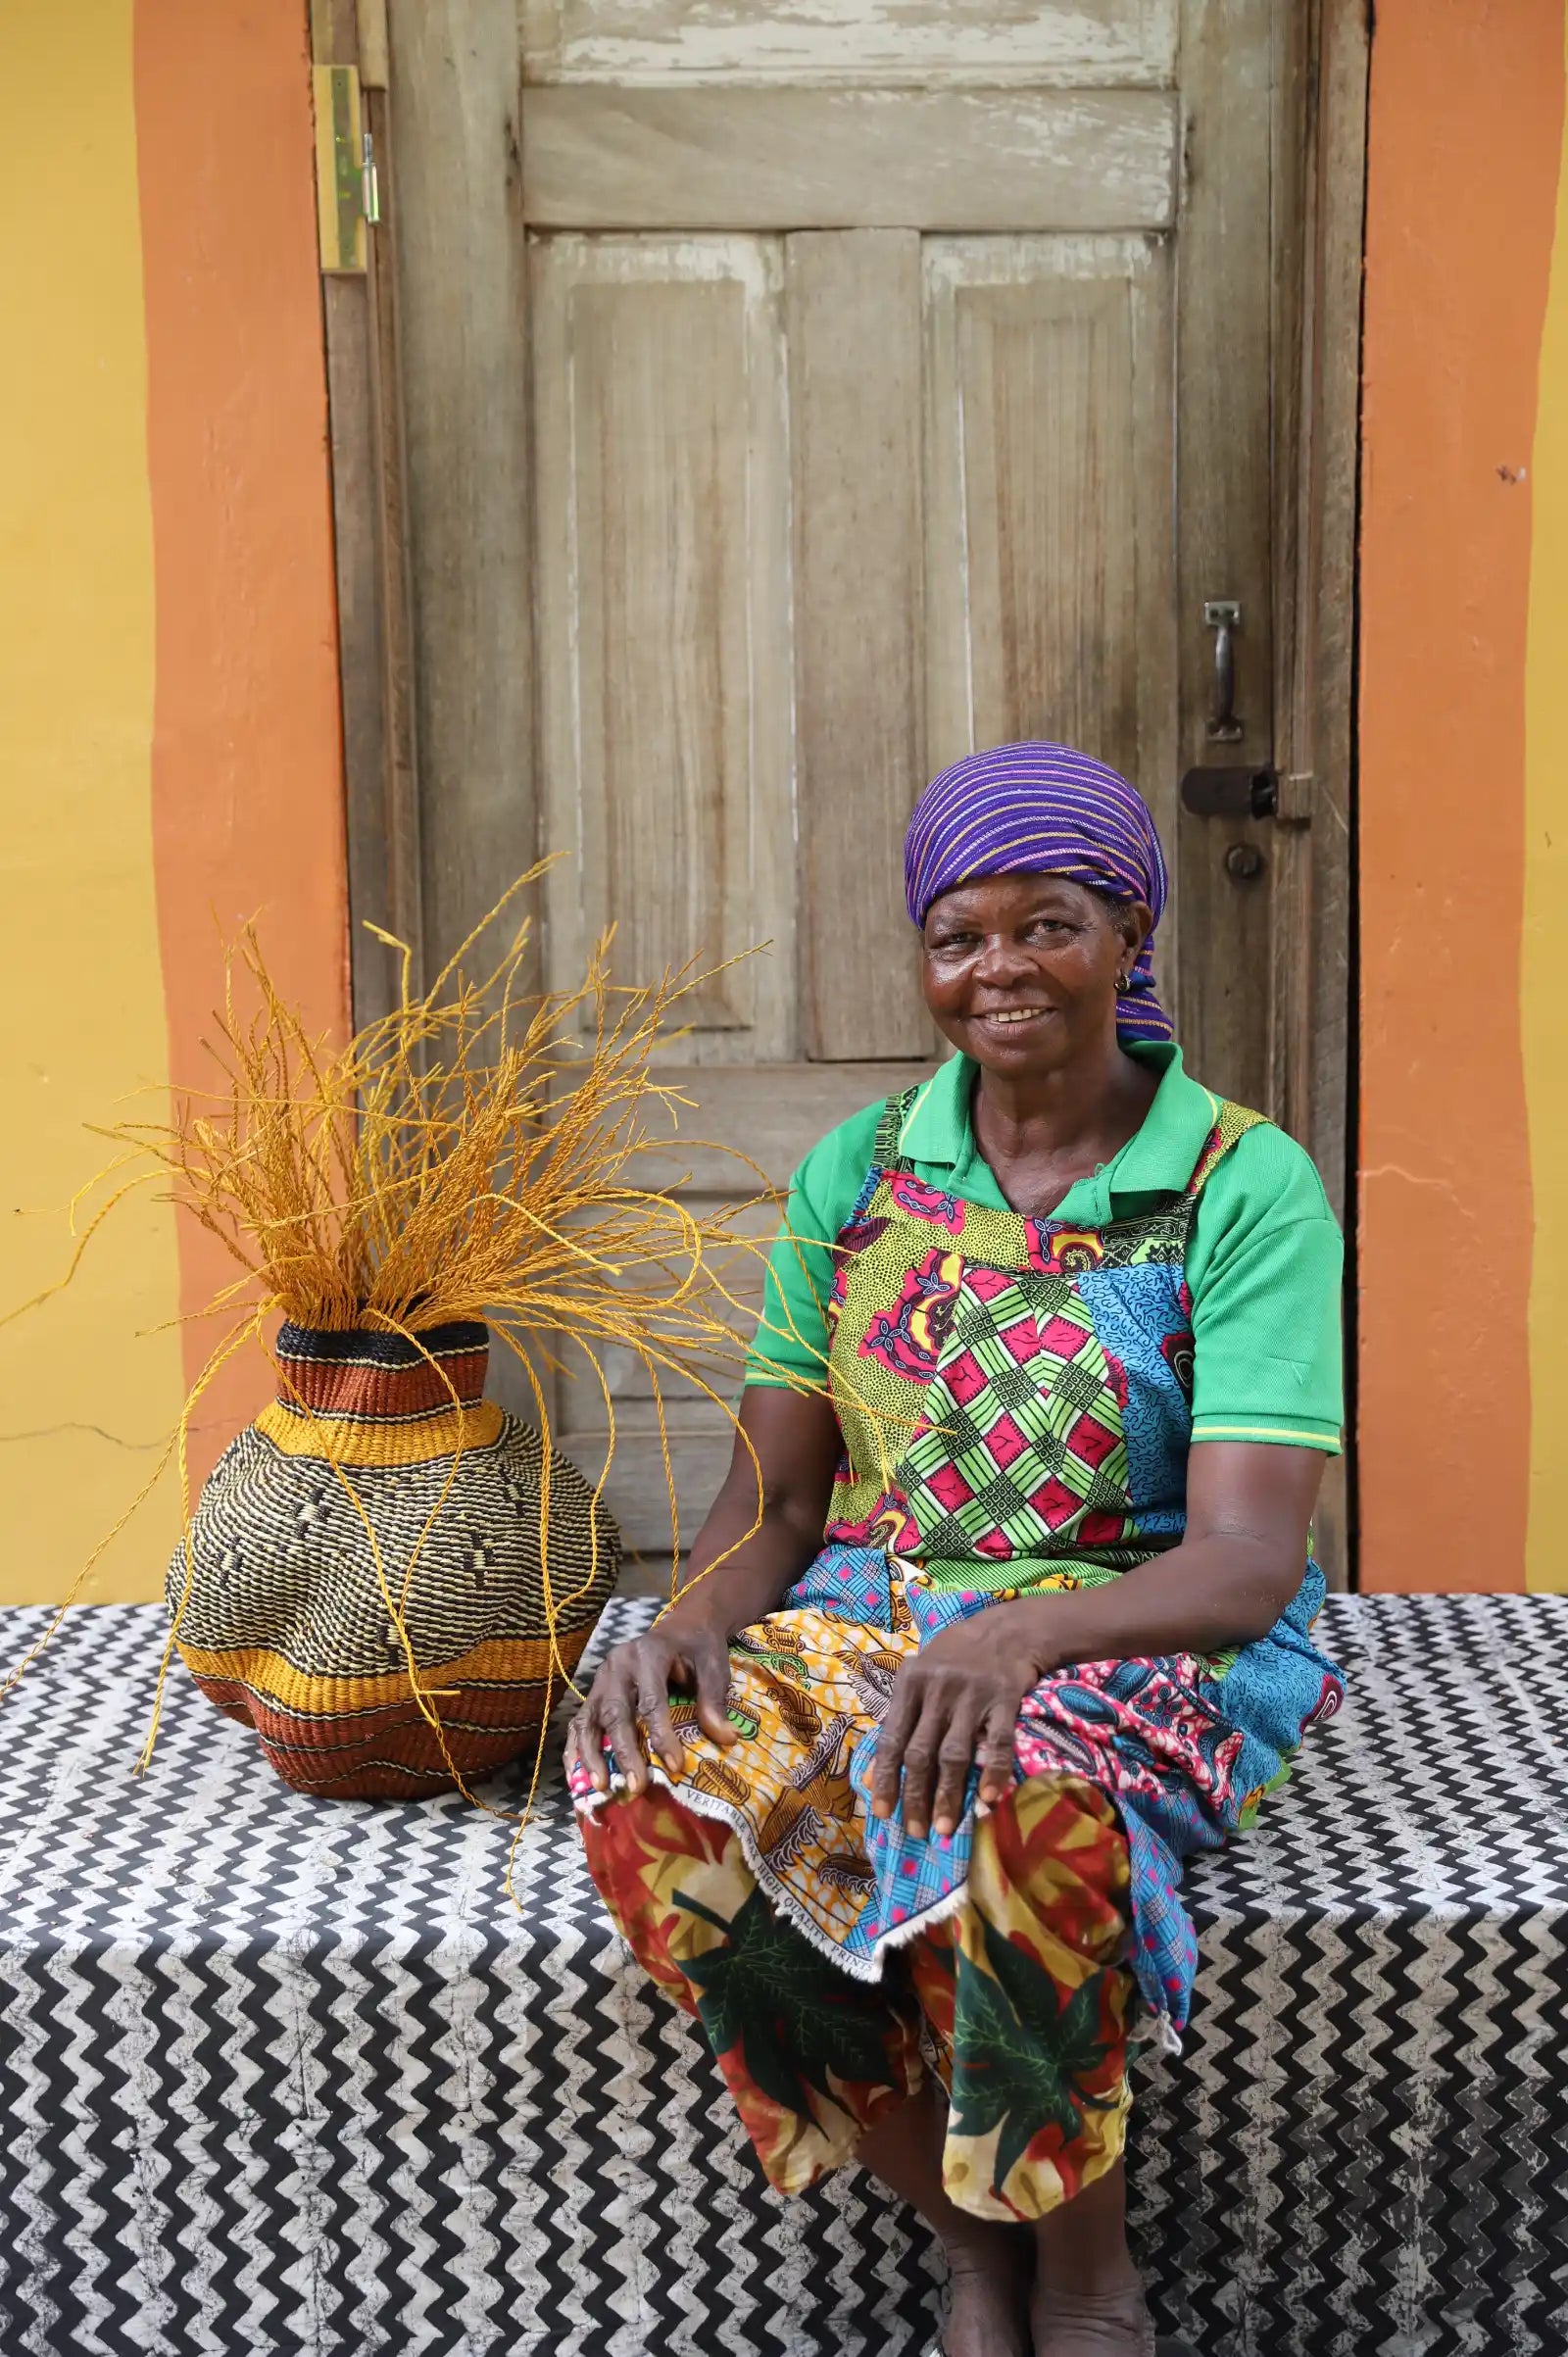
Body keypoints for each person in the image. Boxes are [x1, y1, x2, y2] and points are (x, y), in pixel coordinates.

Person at [566, 741, 1345, 2357]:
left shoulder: (1238, 1183)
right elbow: (781, 1505)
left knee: (1024, 1802)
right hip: (882, 1600)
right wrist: (688, 1621)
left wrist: (1024, 1638)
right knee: (646, 1777)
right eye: (959, 936)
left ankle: (1085, 2279)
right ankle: (968, 2232)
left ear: (1130, 929)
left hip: (1146, 1623)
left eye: (1045, 922)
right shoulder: (861, 1174)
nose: (999, 969)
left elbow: (1252, 1556)